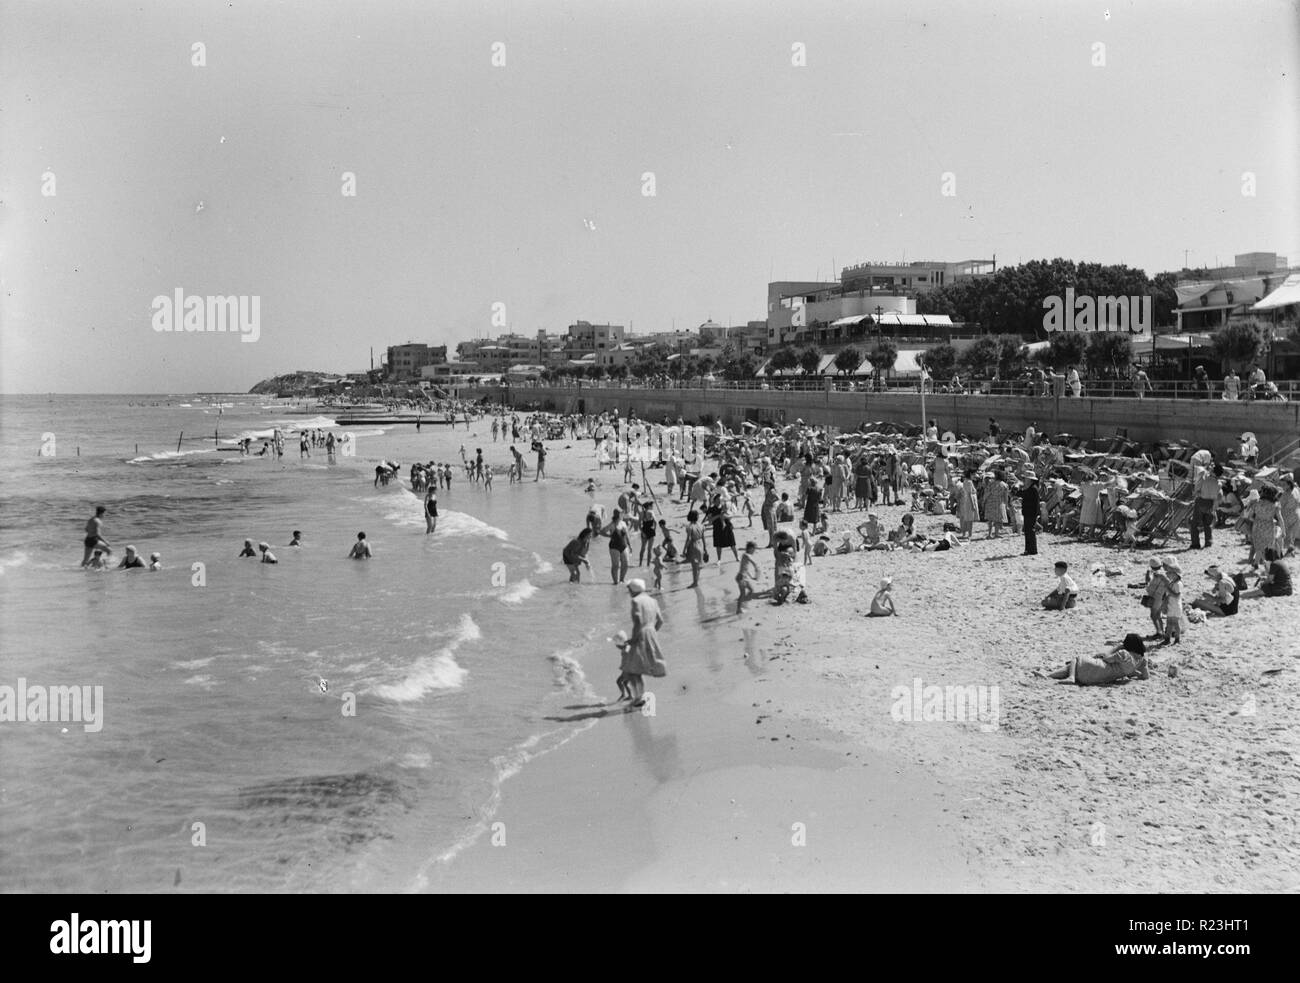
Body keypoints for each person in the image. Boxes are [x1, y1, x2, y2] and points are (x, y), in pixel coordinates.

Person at [622, 579, 666, 708]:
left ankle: (639, 697)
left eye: (629, 588)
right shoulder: (653, 600)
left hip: (641, 634)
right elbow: (660, 621)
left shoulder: (636, 601)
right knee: (638, 667)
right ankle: (640, 696)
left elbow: (638, 621)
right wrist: (652, 632)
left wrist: (633, 639)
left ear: (633, 590)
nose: (628, 591)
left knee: (632, 668)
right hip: (651, 633)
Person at [1044, 633, 1149, 684]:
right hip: (1103, 678)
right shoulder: (1141, 660)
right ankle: (1049, 676)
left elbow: (1106, 658)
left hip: (1100, 669)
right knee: (1075, 666)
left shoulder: (1123, 654)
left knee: (1077, 659)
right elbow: (1145, 676)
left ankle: (1063, 677)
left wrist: (1116, 647)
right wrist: (1133, 674)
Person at [1189, 450, 1219, 549]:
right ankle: (1208, 542)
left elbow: (1197, 489)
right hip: (1211, 503)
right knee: (1208, 524)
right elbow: (1219, 496)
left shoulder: (1204, 478)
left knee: (1195, 524)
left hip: (1201, 501)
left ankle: (1195, 544)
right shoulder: (1219, 483)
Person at [601, 509, 632, 585]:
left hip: (624, 546)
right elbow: (602, 531)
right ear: (618, 515)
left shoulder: (623, 523)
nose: (623, 515)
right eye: (622, 514)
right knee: (616, 565)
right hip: (614, 547)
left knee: (626, 564)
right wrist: (609, 536)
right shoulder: (612, 524)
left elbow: (627, 535)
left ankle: (622, 580)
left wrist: (630, 545)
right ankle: (615, 582)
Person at [1161, 558, 1184, 644]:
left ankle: (1177, 639)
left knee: (1175, 623)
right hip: (1171, 605)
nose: (1167, 574)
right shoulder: (1173, 582)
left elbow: (1176, 595)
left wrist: (1168, 590)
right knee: (1169, 623)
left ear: (1175, 574)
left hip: (1175, 607)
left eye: (1169, 573)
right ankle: (1167, 639)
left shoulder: (1178, 584)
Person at [683, 509, 706, 588]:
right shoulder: (701, 525)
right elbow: (703, 538)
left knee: (694, 566)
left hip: (693, 545)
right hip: (700, 544)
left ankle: (695, 582)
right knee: (699, 564)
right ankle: (696, 581)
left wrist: (684, 549)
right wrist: (705, 549)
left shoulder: (689, 527)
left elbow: (689, 539)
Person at [735, 541, 759, 614]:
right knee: (742, 594)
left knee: (751, 590)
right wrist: (756, 568)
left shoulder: (745, 556)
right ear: (750, 548)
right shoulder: (746, 555)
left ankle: (742, 603)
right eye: (754, 549)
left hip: (743, 577)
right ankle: (739, 609)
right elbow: (753, 563)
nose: (754, 551)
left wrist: (752, 576)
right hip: (741, 577)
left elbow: (745, 568)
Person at [610, 631, 633, 702]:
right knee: (625, 683)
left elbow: (627, 650)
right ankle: (630, 696)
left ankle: (624, 695)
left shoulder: (627, 647)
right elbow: (623, 648)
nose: (616, 645)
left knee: (619, 681)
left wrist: (622, 645)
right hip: (628, 668)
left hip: (628, 669)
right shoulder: (626, 646)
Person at [1020, 473, 1040, 555]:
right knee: (1028, 531)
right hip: (1029, 512)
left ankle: (1031, 550)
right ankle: (1029, 549)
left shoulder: (1033, 489)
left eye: (1026, 479)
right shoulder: (1032, 488)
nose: (1025, 480)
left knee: (1030, 531)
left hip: (1030, 513)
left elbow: (1023, 494)